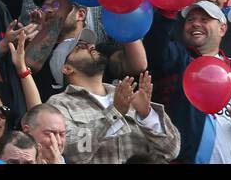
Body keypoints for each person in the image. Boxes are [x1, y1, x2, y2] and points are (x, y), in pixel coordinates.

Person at [142, 0, 231, 163]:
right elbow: (155, 48)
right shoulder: (177, 59)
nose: (196, 24)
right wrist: (167, 13)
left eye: (204, 20)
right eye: (190, 20)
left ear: (222, 29)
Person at [46, 37, 180, 164]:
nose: (92, 46)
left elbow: (172, 150)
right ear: (67, 68)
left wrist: (147, 114)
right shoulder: (58, 103)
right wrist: (114, 114)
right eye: (80, 47)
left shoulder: (127, 94)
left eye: (90, 44)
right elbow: (68, 150)